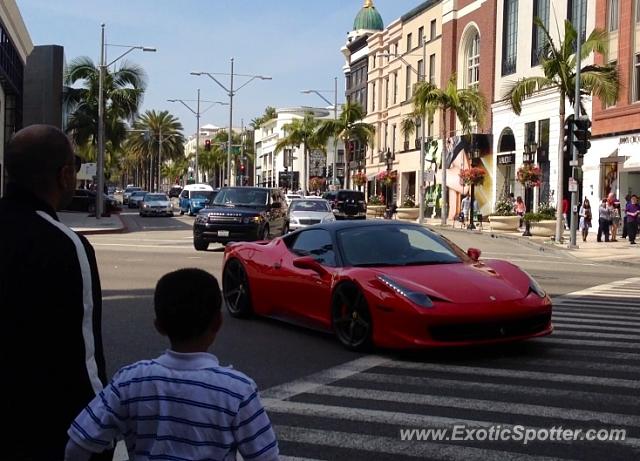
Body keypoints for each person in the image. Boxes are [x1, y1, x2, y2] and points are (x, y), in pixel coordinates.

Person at [65, 268, 279, 461]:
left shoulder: (130, 380)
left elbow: (78, 444)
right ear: (218, 322)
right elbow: (266, 457)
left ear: (159, 326)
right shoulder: (238, 390)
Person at [0, 125, 110, 460]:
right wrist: (99, 437)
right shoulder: (65, 245)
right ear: (64, 175)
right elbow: (83, 357)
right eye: (74, 167)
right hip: (38, 432)